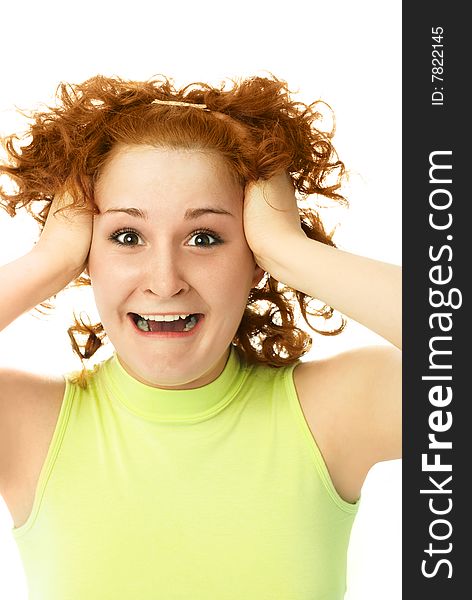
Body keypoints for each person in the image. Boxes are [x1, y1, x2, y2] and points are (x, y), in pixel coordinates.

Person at [0, 74, 401, 599]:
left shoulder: (334, 414)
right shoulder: (27, 427)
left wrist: (292, 251)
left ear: (254, 258)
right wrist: (46, 262)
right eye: (127, 236)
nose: (165, 281)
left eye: (205, 237)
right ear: (86, 255)